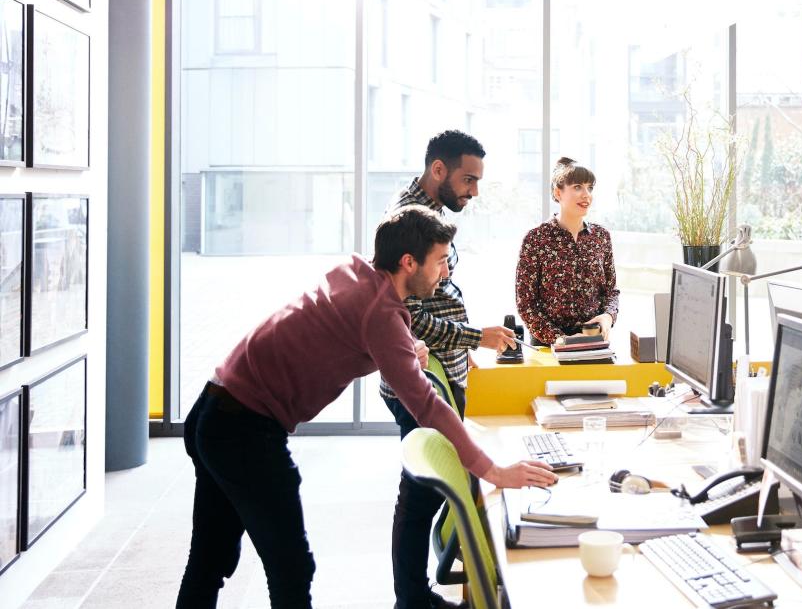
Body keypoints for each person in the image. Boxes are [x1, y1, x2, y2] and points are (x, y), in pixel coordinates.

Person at [176, 205, 557, 608]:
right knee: (290, 567)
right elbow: (426, 405)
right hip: (244, 428)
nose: (445, 272)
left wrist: (403, 350)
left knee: (210, 558)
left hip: (214, 407)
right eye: (441, 261)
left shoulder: (359, 275)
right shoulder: (381, 314)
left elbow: (346, 328)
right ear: (409, 262)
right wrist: (493, 470)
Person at [379, 130, 518, 609]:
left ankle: (418, 593)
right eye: (468, 179)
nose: (473, 191)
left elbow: (437, 297)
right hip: (417, 374)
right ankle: (412, 599)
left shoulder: (431, 213)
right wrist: (472, 336)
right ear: (438, 170)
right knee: (419, 493)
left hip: (443, 368)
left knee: (428, 490)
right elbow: (408, 314)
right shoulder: (408, 220)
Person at [515, 157, 620, 346]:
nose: (586, 194)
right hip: (549, 346)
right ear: (558, 192)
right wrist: (561, 339)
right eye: (578, 187)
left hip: (593, 341)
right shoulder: (535, 239)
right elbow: (526, 303)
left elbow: (611, 291)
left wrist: (608, 317)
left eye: (590, 188)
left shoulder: (601, 236)